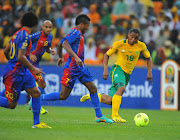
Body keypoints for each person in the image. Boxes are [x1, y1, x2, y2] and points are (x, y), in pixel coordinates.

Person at [40, 14, 113, 123]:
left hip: (81, 67)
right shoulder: (76, 32)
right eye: (87, 26)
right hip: (72, 69)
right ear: (82, 25)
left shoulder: (77, 34)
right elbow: (64, 43)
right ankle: (37, 98)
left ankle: (99, 116)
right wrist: (75, 57)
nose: (88, 28)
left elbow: (60, 44)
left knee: (93, 89)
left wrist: (60, 57)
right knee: (63, 95)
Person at [80, 28, 153, 123]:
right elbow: (106, 55)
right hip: (117, 69)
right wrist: (105, 69)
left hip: (127, 74)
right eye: (132, 37)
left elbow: (149, 58)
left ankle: (92, 96)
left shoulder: (141, 46)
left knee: (111, 100)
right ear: (128, 36)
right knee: (121, 88)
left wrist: (149, 71)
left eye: (136, 38)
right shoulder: (119, 43)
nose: (134, 40)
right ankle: (115, 116)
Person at [0, 11, 51, 128]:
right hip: (15, 74)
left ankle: (36, 123)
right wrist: (33, 68)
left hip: (22, 71)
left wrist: (11, 62)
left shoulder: (16, 34)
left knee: (36, 93)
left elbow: (6, 51)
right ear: (34, 24)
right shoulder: (25, 36)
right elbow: (20, 56)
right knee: (11, 104)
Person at [28, 20, 55, 114]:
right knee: (42, 84)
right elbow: (23, 42)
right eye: (46, 27)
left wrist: (50, 50)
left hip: (36, 63)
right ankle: (33, 102)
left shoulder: (50, 36)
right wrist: (30, 54)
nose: (48, 29)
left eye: (50, 27)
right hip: (29, 63)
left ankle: (35, 103)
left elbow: (46, 47)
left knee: (17, 85)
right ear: (42, 27)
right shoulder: (36, 36)